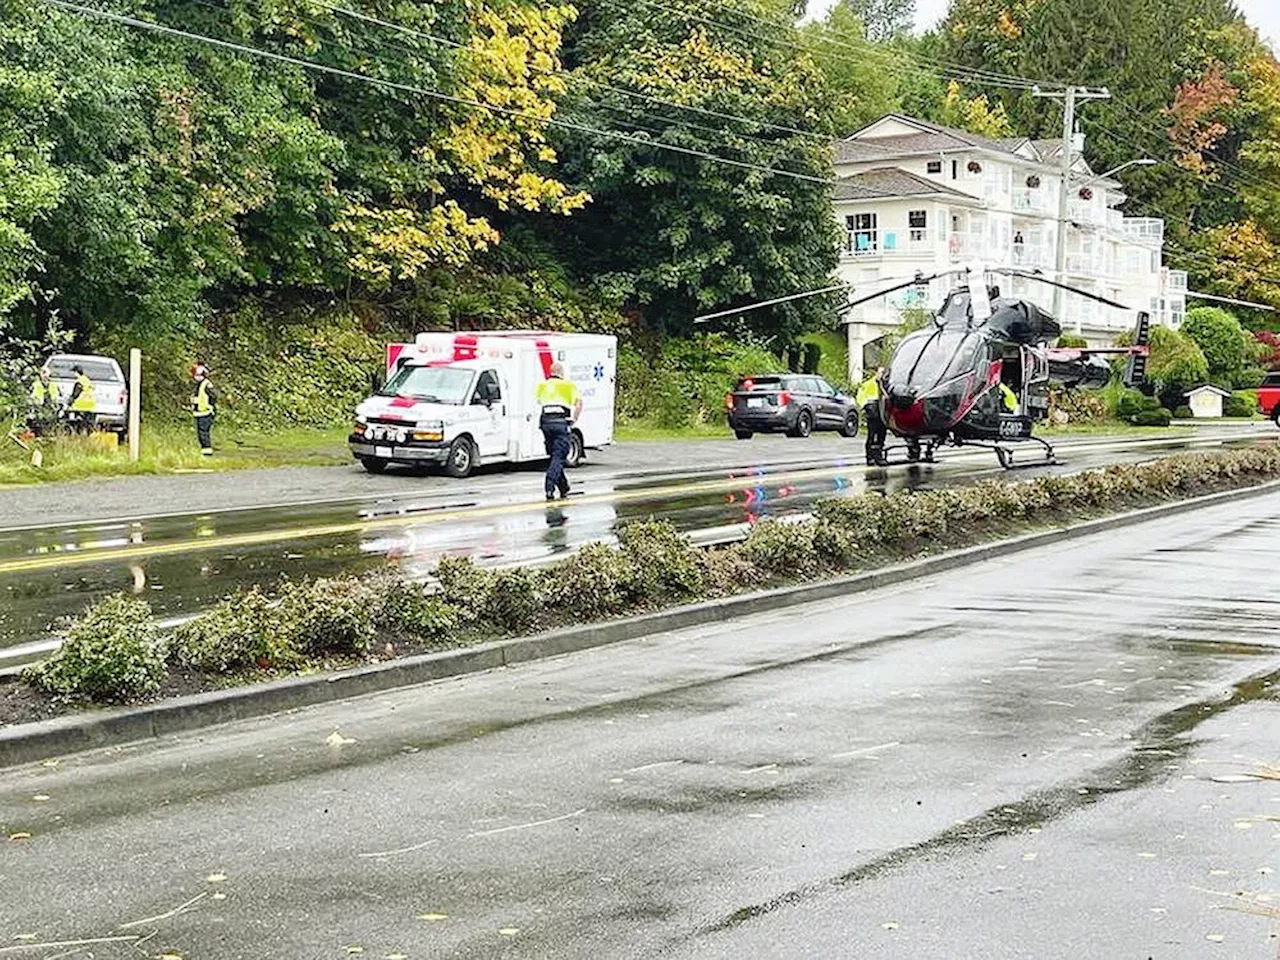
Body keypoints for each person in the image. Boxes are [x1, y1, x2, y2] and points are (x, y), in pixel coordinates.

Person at [535, 361, 582, 500]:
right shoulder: (568, 385)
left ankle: (564, 487)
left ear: (551, 372)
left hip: (546, 424)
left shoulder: (543, 385)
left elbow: (538, 401)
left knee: (555, 456)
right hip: (561, 423)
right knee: (559, 456)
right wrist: (574, 419)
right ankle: (549, 486)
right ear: (561, 373)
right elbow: (579, 403)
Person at [856, 367, 886, 466]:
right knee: (871, 436)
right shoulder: (869, 384)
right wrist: (866, 407)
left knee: (881, 436)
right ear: (876, 373)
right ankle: (870, 457)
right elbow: (860, 397)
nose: (882, 374)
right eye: (881, 372)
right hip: (873, 414)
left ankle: (878, 456)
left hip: (883, 414)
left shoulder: (886, 385)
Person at [190, 362, 218, 455]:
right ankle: (205, 450)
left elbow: (213, 396)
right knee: (201, 433)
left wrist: (210, 406)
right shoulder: (199, 384)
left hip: (205, 413)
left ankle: (207, 452)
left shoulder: (206, 384)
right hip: (200, 413)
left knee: (203, 433)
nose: (195, 377)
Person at [27, 367, 60, 436]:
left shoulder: (53, 384)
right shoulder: (35, 384)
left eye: (46, 373)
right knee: (37, 422)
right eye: (43, 373)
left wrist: (55, 404)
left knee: (49, 422)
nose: (44, 375)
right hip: (38, 406)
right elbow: (30, 395)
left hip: (50, 406)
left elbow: (57, 395)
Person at [65, 364, 97, 434]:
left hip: (81, 405)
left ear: (76, 372)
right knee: (87, 423)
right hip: (90, 405)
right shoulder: (87, 380)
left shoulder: (79, 381)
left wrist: (69, 402)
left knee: (77, 422)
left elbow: (75, 394)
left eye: (74, 372)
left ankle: (78, 433)